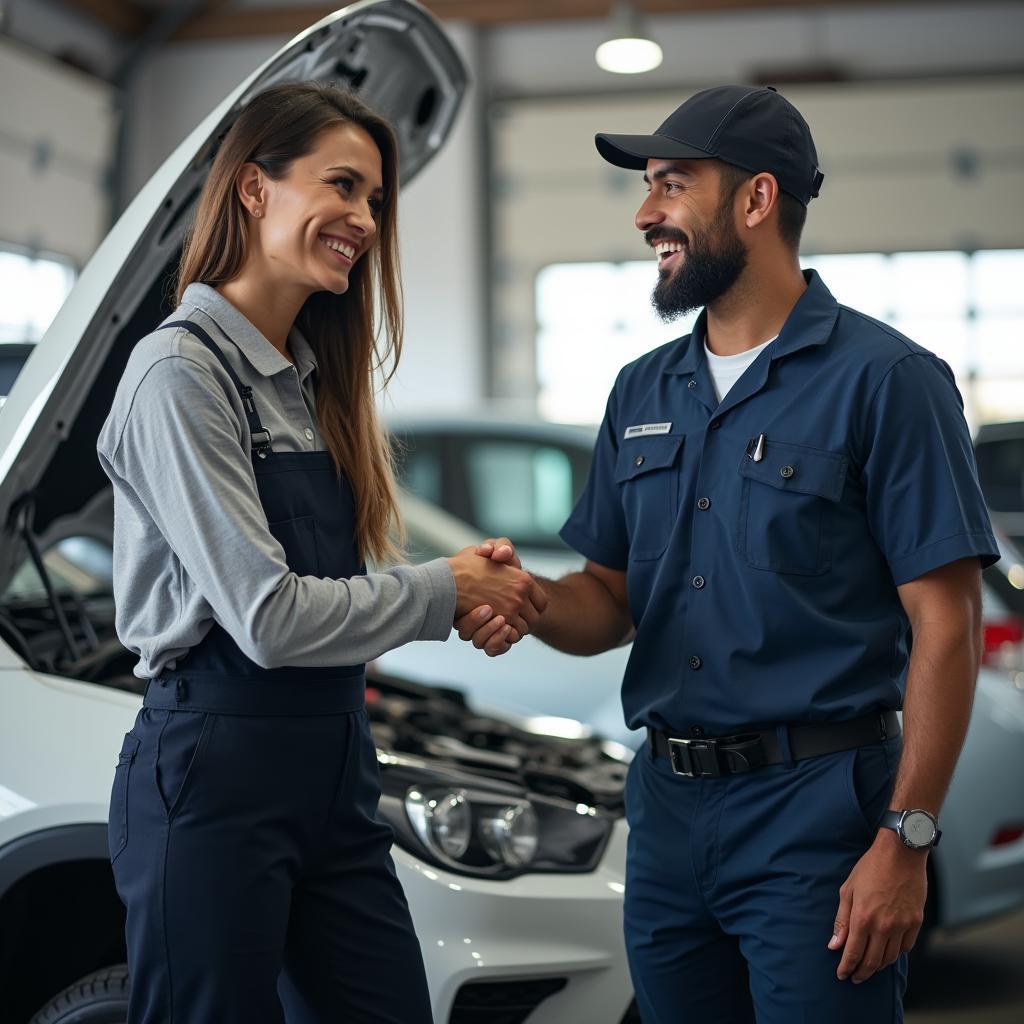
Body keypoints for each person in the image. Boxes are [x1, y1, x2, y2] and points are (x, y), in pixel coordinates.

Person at [460, 84, 999, 1022]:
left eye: (671, 184)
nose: (645, 213)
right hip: (665, 816)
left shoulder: (888, 381)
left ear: (756, 199)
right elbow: (608, 599)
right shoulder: (641, 390)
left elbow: (946, 624)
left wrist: (904, 842)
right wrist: (530, 599)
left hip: (817, 816)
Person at [97, 82, 544, 1024]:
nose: (365, 219)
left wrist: (472, 597)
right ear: (254, 189)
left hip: (334, 764)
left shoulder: (306, 379)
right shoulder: (181, 374)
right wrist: (444, 589)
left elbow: (344, 594)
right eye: (342, 185)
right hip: (214, 776)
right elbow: (266, 616)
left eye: (376, 199)